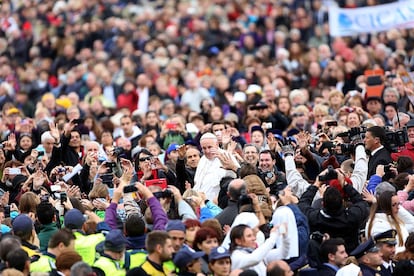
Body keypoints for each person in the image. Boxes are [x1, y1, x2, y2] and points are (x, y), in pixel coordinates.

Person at [194, 132, 238, 201]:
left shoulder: (226, 156)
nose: (207, 151)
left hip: (217, 204)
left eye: (210, 147)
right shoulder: (202, 159)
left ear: (217, 144)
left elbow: (236, 177)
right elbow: (197, 183)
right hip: (201, 203)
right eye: (204, 148)